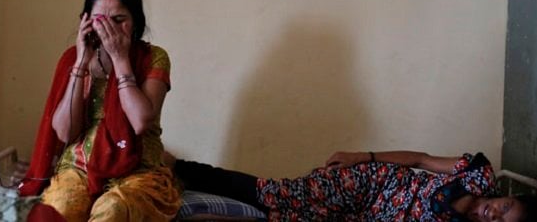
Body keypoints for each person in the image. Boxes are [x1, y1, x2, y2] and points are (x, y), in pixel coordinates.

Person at [19, 0, 181, 222]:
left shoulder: (153, 57)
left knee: (113, 209)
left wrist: (120, 59)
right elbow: (64, 133)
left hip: (137, 170)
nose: (109, 30)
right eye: (100, 21)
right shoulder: (73, 59)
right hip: (78, 168)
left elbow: (140, 121)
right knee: (60, 208)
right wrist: (81, 63)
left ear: (135, 22)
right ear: (85, 22)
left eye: (119, 20)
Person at [166, 150, 537, 222]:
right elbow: (422, 160)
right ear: (506, 195)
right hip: (367, 185)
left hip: (365, 217)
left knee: (285, 218)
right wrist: (367, 156)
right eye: (505, 208)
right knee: (276, 193)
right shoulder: (478, 175)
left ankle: (186, 204)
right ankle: (180, 168)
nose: (494, 214)